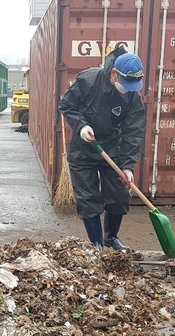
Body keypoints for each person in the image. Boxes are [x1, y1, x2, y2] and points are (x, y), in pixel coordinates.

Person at [58, 46, 146, 250]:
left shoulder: (133, 94)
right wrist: (81, 125)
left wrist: (127, 166)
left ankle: (111, 237)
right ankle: (96, 244)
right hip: (84, 148)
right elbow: (66, 105)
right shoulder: (88, 80)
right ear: (115, 73)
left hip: (112, 149)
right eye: (125, 83)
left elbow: (134, 131)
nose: (129, 88)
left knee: (119, 195)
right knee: (88, 199)